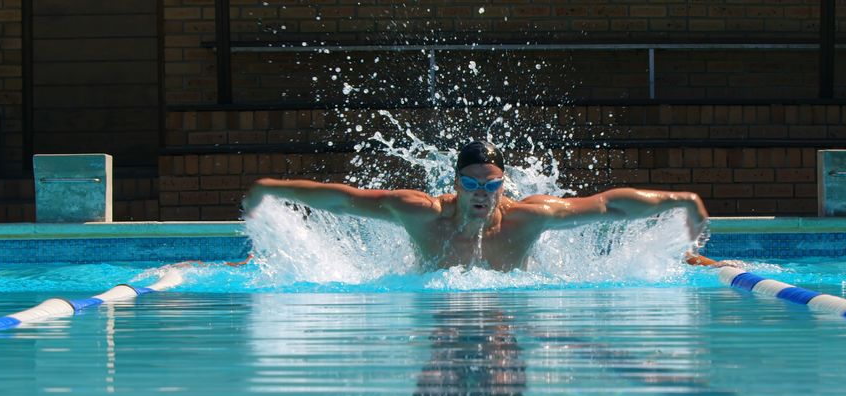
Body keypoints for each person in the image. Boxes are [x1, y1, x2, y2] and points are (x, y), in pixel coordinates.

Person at [243, 140, 709, 271]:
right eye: (471, 183)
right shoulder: (421, 211)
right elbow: (344, 200)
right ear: (455, 183)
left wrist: (680, 200)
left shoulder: (529, 217)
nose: (482, 193)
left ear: (504, 184)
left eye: (492, 184)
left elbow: (608, 205)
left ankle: (695, 257)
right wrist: (271, 187)